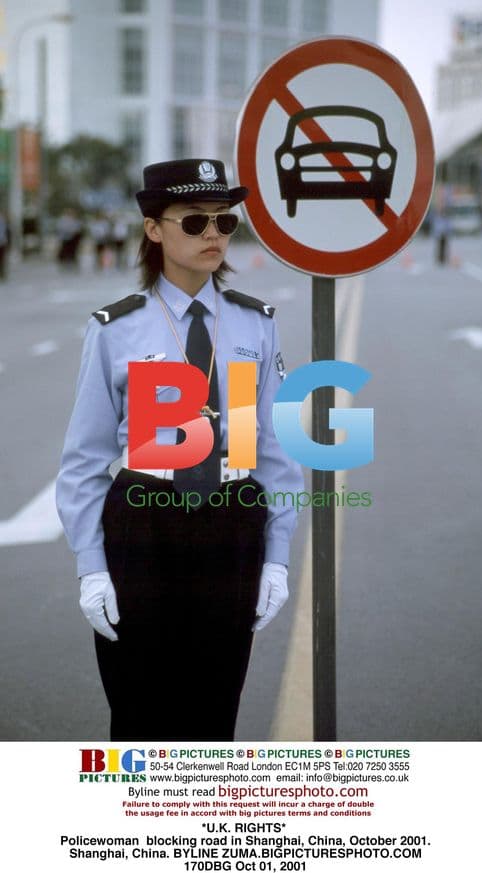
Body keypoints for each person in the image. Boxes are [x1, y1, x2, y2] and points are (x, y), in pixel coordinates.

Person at [56, 158, 304, 741]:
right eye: (195, 222)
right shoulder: (116, 329)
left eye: (224, 222)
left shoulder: (255, 325)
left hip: (232, 523)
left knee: (214, 718)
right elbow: (84, 461)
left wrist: (277, 553)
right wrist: (92, 567)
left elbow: (272, 451)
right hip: (144, 522)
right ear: (153, 229)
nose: (213, 234)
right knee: (140, 718)